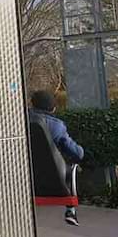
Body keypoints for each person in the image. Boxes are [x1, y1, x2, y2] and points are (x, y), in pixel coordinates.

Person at [29, 90, 84, 226]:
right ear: (53, 108)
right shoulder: (57, 126)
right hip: (54, 176)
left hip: (26, 174)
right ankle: (70, 210)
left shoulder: (21, 120)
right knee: (73, 169)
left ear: (33, 104)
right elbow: (77, 153)